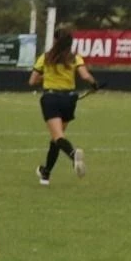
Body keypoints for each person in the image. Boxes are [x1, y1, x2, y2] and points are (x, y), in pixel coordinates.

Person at [30, 27, 97, 185]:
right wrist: (94, 84)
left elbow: (32, 81)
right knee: (56, 139)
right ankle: (45, 173)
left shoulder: (45, 58)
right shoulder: (75, 58)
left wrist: (45, 76)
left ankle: (73, 155)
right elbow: (85, 75)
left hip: (51, 98)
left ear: (54, 40)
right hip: (69, 100)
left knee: (58, 137)